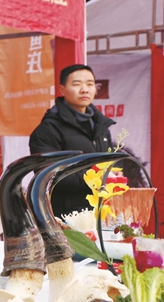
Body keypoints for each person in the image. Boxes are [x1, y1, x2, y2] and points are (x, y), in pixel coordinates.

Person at [29, 64, 115, 219]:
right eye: (76, 84)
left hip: (100, 214)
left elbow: (111, 163)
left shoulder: (101, 127)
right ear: (62, 89)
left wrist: (114, 174)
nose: (84, 89)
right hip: (65, 217)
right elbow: (49, 176)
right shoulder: (47, 130)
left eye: (90, 84)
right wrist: (96, 178)